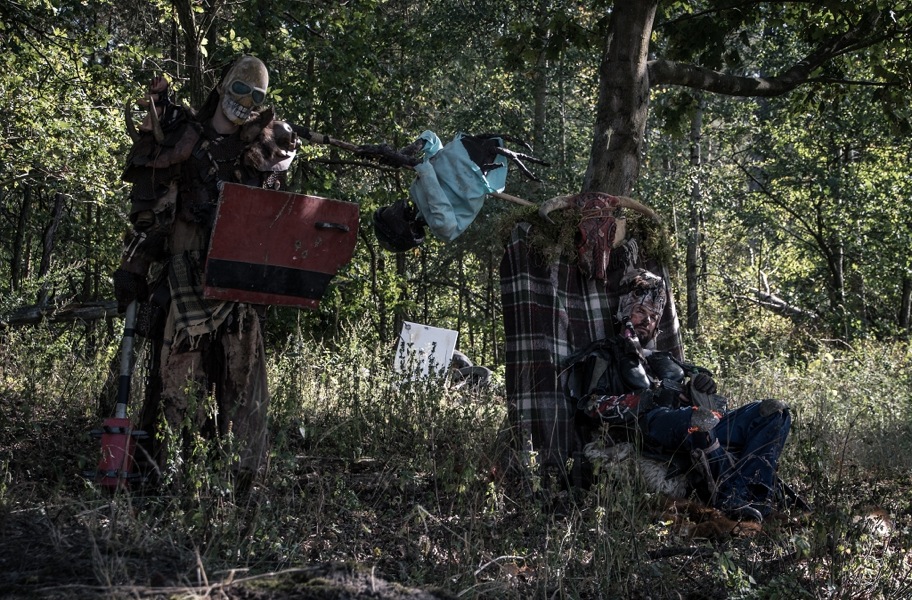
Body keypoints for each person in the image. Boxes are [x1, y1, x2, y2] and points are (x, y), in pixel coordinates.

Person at [112, 55, 299, 487]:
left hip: (237, 285)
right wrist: (133, 266)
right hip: (185, 280)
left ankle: (237, 480)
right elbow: (151, 212)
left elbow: (274, 221)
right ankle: (173, 475)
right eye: (240, 89)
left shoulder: (263, 151)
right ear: (223, 85)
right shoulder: (185, 136)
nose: (245, 102)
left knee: (242, 382)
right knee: (179, 383)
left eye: (256, 96)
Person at [568, 268, 792, 522]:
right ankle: (734, 499)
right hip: (649, 428)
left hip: (692, 421)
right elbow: (590, 405)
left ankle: (758, 500)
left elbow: (701, 392)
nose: (647, 321)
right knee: (697, 419)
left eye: (654, 316)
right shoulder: (604, 355)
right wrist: (647, 399)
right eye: (640, 311)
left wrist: (700, 385)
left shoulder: (665, 360)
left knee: (774, 411)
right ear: (624, 310)